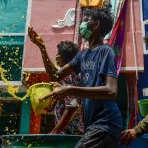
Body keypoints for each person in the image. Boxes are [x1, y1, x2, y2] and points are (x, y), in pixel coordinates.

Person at [32, 9, 122, 148]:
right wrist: (42, 48)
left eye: (86, 20)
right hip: (92, 125)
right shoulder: (83, 55)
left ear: (96, 25)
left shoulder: (106, 51)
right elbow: (56, 76)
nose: (82, 24)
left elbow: (111, 91)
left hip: (105, 123)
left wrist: (70, 89)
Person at [27, 31, 84, 135]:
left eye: (57, 55)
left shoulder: (70, 77)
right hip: (73, 132)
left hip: (70, 134)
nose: (56, 58)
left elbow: (73, 105)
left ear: (59, 58)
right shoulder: (72, 75)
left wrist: (55, 131)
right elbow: (55, 74)